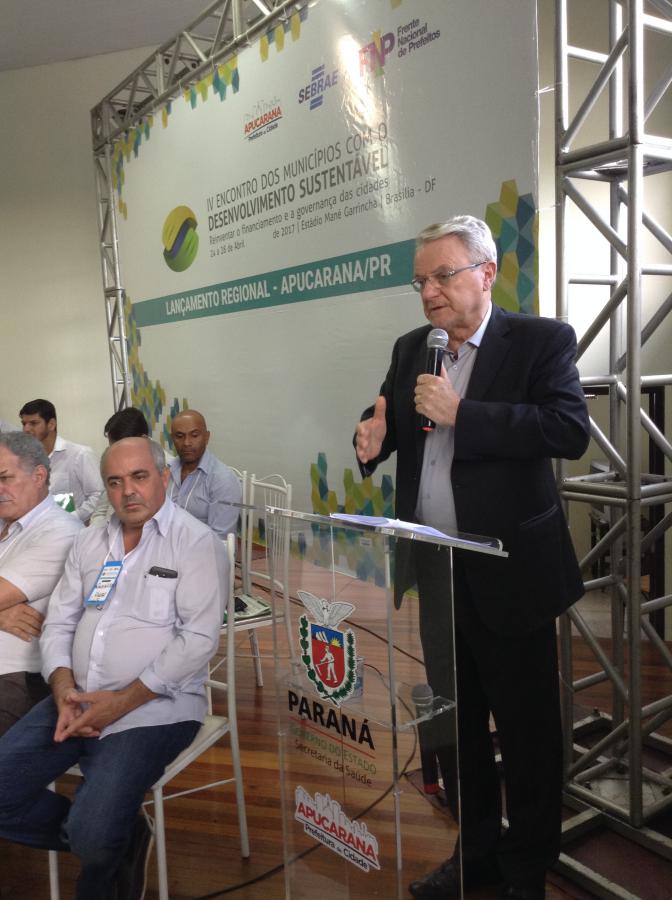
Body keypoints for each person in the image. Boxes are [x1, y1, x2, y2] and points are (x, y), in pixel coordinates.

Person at [355, 216, 590, 900]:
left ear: (486, 273)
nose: (429, 292)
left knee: (527, 737)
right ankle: (475, 856)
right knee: (457, 731)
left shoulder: (541, 341)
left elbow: (568, 429)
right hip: (439, 573)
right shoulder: (413, 348)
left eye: (442, 276)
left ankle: (525, 873)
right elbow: (391, 422)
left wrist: (467, 413)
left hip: (510, 572)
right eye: (420, 282)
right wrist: (371, 437)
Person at [0, 437, 228, 900]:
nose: (128, 491)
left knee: (93, 831)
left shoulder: (196, 543)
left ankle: (99, 846)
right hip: (74, 699)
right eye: (115, 482)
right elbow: (59, 623)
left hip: (152, 710)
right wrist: (63, 688)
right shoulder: (90, 541)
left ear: (164, 477)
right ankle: (115, 840)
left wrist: (121, 702)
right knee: (71, 821)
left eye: (139, 477)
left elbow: (199, 640)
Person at [0, 433, 81, 736]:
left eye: (5, 478)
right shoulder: (6, 523)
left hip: (13, 678)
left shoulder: (60, 531)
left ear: (39, 476)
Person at [19, 399, 104, 523]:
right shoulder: (26, 460)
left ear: (51, 424)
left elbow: (99, 496)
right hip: (38, 529)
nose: (26, 429)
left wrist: (70, 519)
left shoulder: (80, 454)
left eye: (33, 423)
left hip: (74, 531)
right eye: (24, 423)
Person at [168, 409, 241, 538]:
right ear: (172, 439)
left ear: (207, 437)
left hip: (202, 549)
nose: (187, 443)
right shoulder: (165, 471)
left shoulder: (223, 480)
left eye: (194, 435)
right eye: (179, 436)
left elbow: (220, 539)